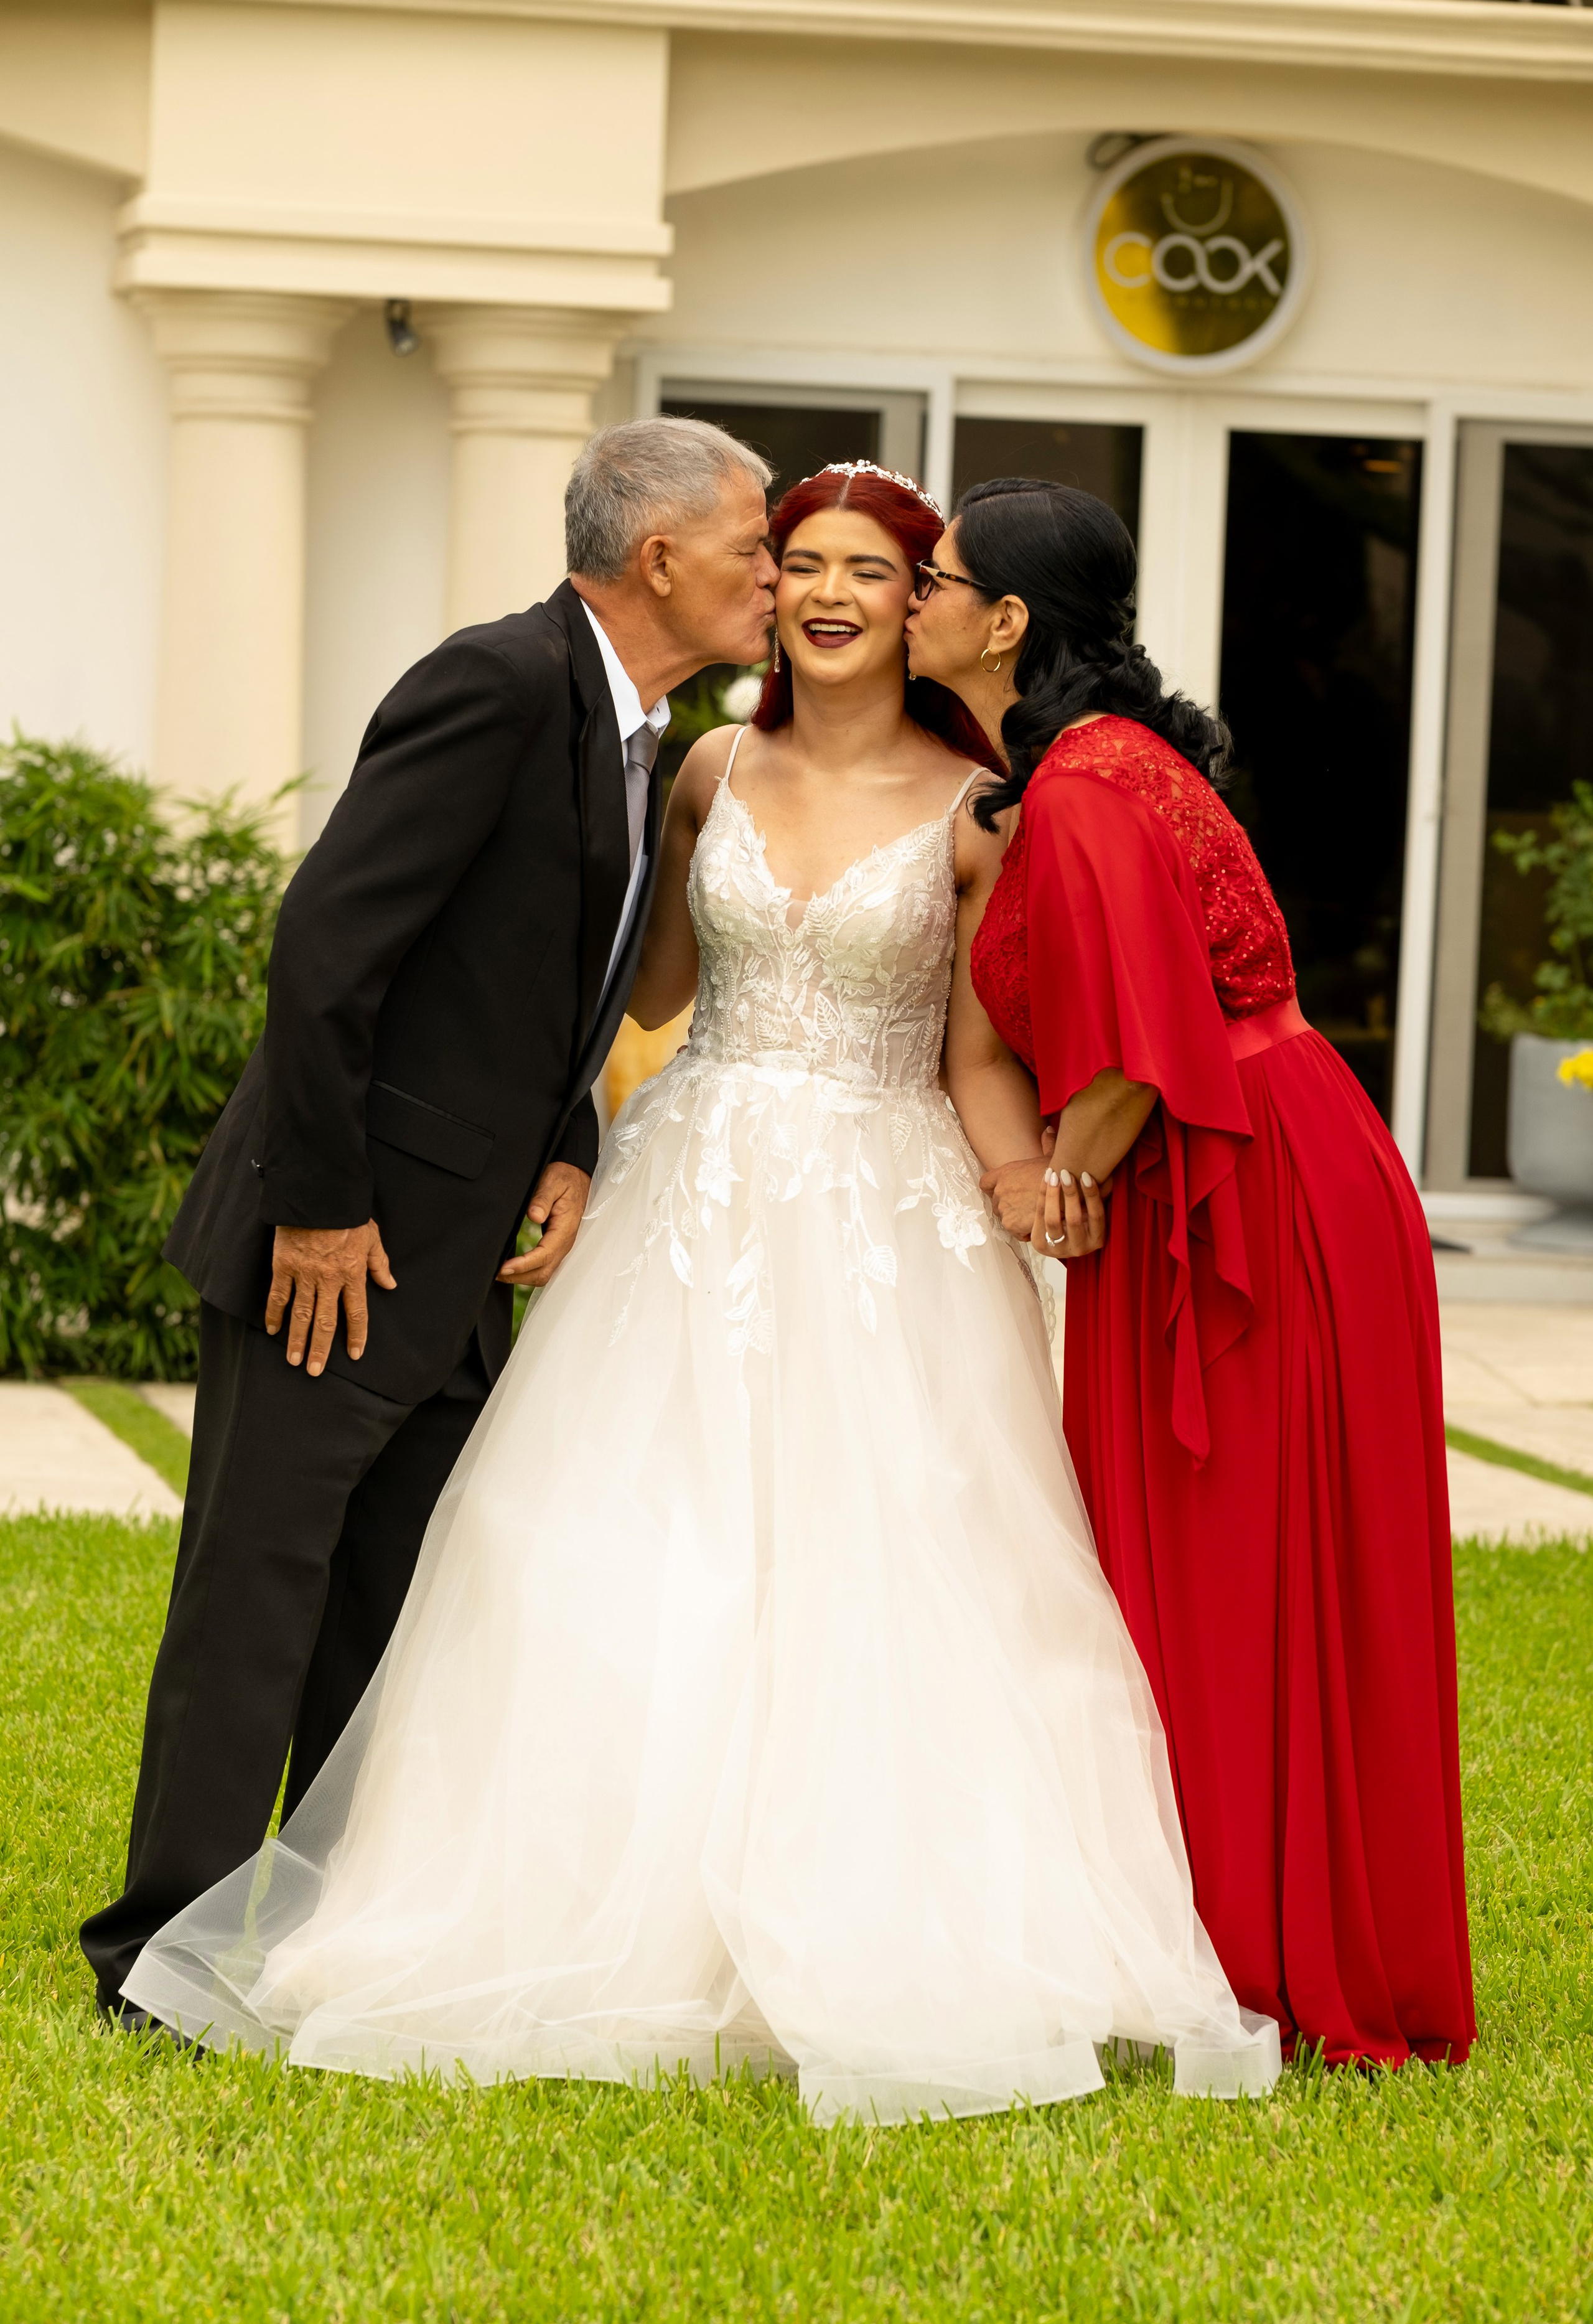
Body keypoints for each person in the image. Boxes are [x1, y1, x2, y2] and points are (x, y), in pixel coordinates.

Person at [121, 463, 1280, 2124]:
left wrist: (1034, 1185)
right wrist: (578, 1132)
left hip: (887, 1211)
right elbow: (632, 982)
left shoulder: (984, 812)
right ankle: (488, 1893)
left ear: (919, 605)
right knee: (600, 1547)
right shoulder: (699, 770)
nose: (815, 592)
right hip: (694, 1186)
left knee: (893, 1563)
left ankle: (880, 1916)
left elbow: (971, 1046)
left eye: (863, 572)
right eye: (789, 560)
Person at [83, 417, 780, 2031]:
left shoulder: (643, 731)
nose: (773, 575)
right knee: (257, 1605)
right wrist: (320, 1218)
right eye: (756, 546)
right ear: (659, 556)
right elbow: (329, 947)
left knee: (388, 1628)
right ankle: (156, 1958)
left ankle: (326, 1932)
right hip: (340, 1250)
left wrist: (569, 1146)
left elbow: (542, 982)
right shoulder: (494, 684)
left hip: (465, 1259)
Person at [904, 476, 1475, 2070]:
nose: (909, 597)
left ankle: (1273, 1954)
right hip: (1266, 1146)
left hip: (1245, 1174)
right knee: (1248, 1572)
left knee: (1235, 1569)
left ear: (1005, 623)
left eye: (934, 577)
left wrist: (1054, 1185)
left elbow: (1144, 1046)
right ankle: (1260, 1927)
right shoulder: (1075, 770)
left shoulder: (1087, 785)